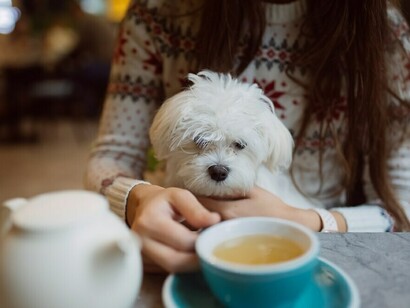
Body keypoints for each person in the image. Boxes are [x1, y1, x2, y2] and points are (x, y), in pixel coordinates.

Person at [85, 0, 410, 273]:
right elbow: (113, 155)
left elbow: (404, 206)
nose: (219, 164)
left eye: (238, 145)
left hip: (319, 253)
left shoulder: (384, 33)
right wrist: (136, 199)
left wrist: (308, 221)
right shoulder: (159, 12)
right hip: (171, 245)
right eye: (200, 141)